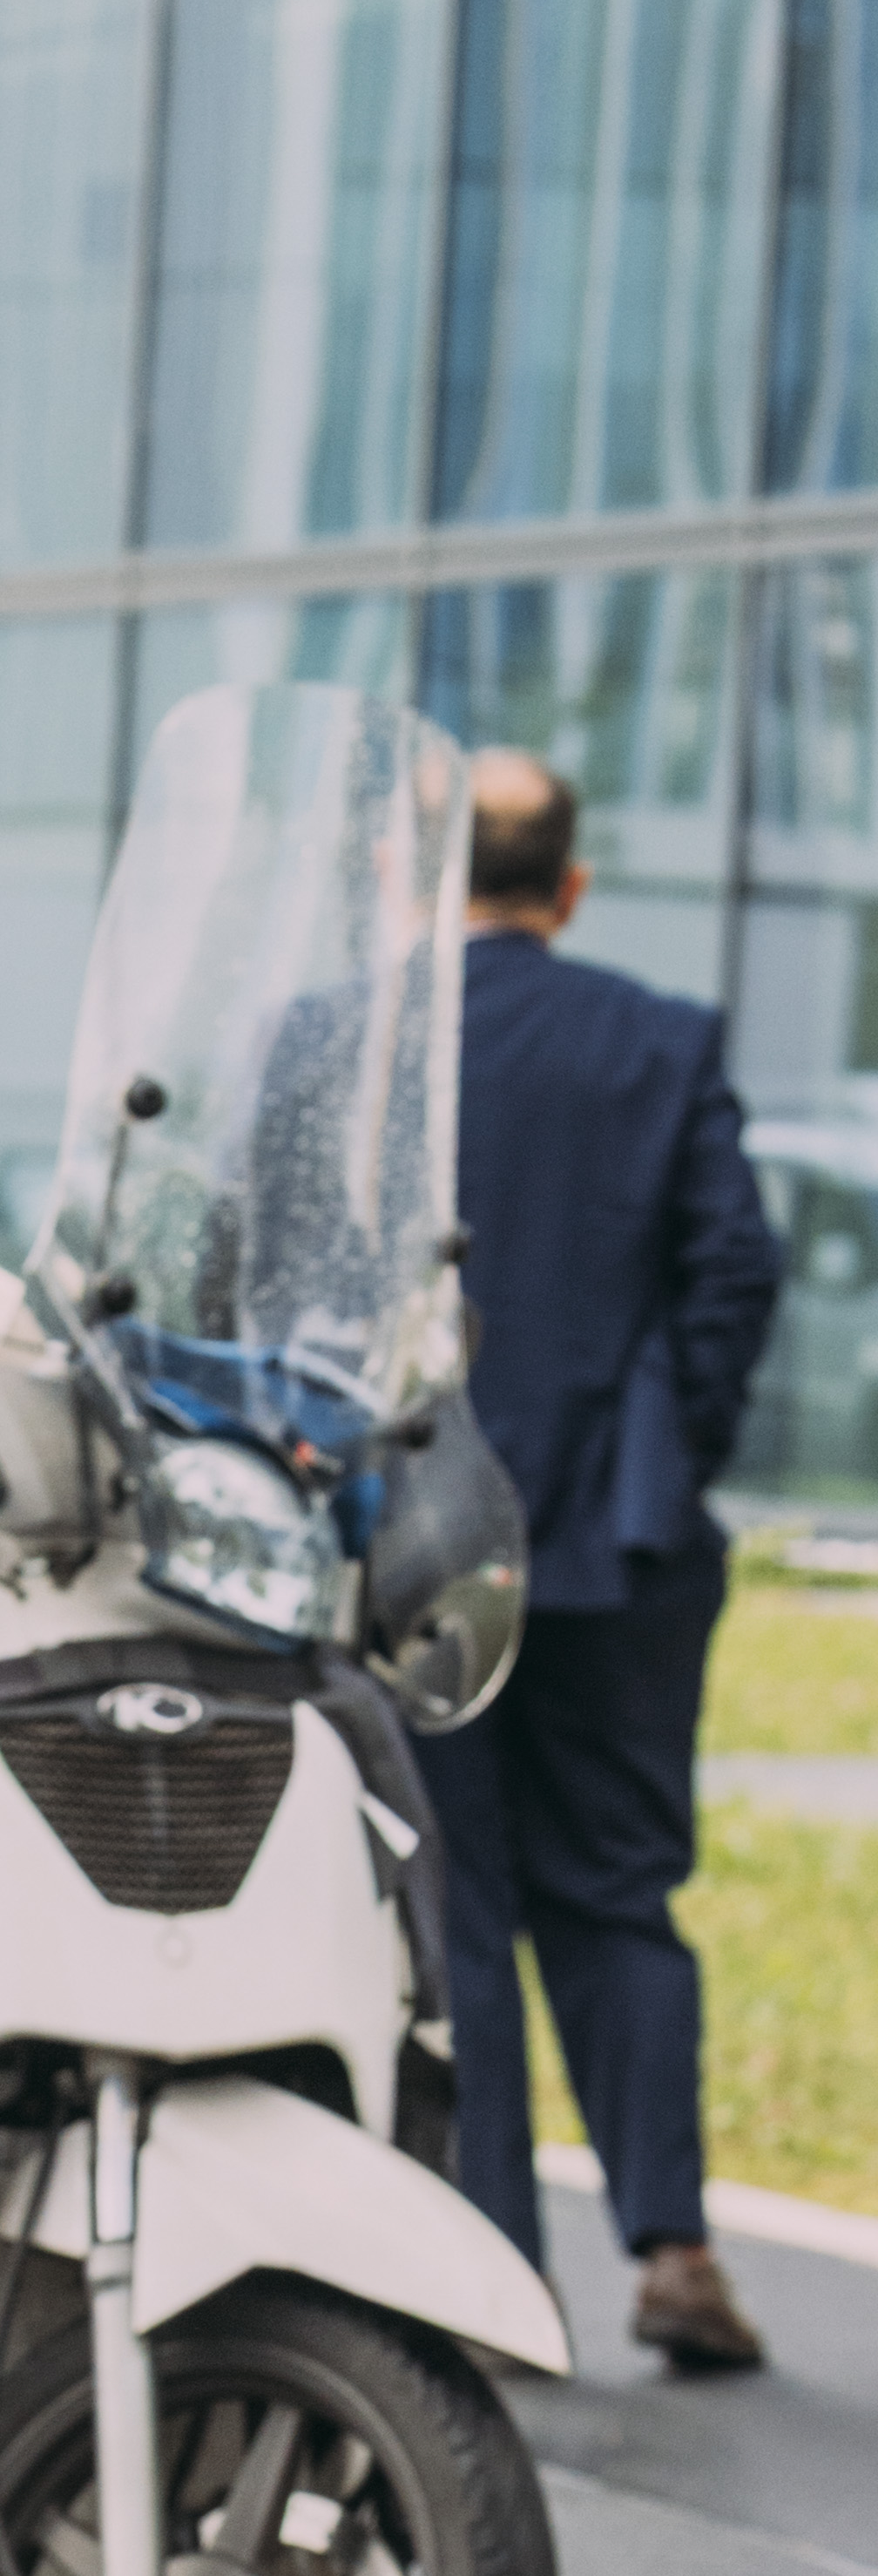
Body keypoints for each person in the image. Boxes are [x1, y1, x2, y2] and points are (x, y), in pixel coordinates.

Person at [443, 746, 786, 2371]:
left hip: (414, 1555)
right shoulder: (657, 1039)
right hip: (619, 1540)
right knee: (618, 1895)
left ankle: (496, 2272)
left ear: (421, 880)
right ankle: (669, 2245)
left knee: (453, 1906)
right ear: (566, 885)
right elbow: (730, 1271)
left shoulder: (363, 1050)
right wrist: (662, 1450)